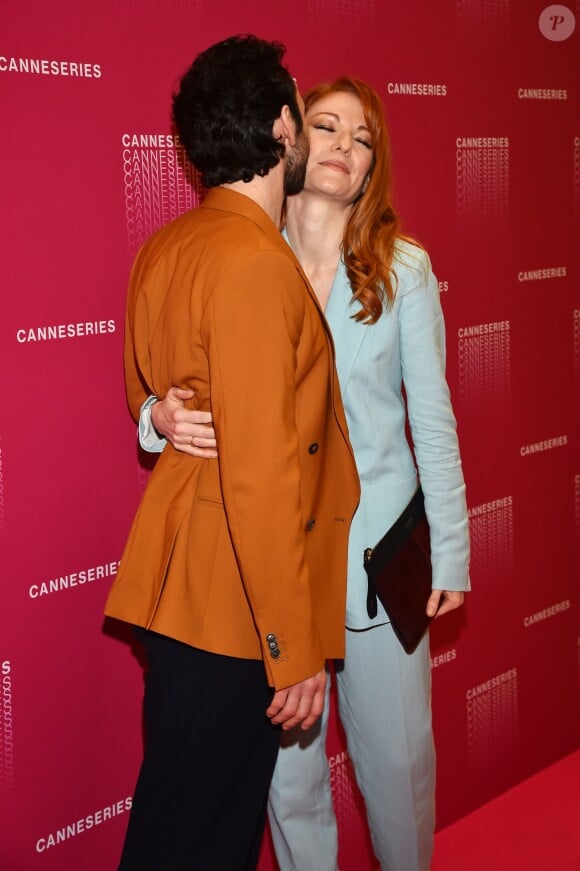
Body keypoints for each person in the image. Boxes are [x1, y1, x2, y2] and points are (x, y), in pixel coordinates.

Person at [140, 77, 470, 871]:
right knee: (288, 791)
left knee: (398, 776)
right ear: (288, 136)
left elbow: (433, 421)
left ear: (371, 169)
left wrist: (452, 551)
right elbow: (184, 380)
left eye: (363, 140)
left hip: (380, 566)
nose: (344, 147)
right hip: (273, 573)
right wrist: (156, 414)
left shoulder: (405, 271)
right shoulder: (246, 255)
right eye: (326, 126)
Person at [104, 38, 360, 871]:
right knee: (204, 835)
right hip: (235, 610)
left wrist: (154, 412)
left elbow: (148, 388)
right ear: (282, 125)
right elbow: (259, 475)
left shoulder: (168, 248)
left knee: (180, 820)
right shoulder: (255, 264)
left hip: (185, 593)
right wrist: (292, 645)